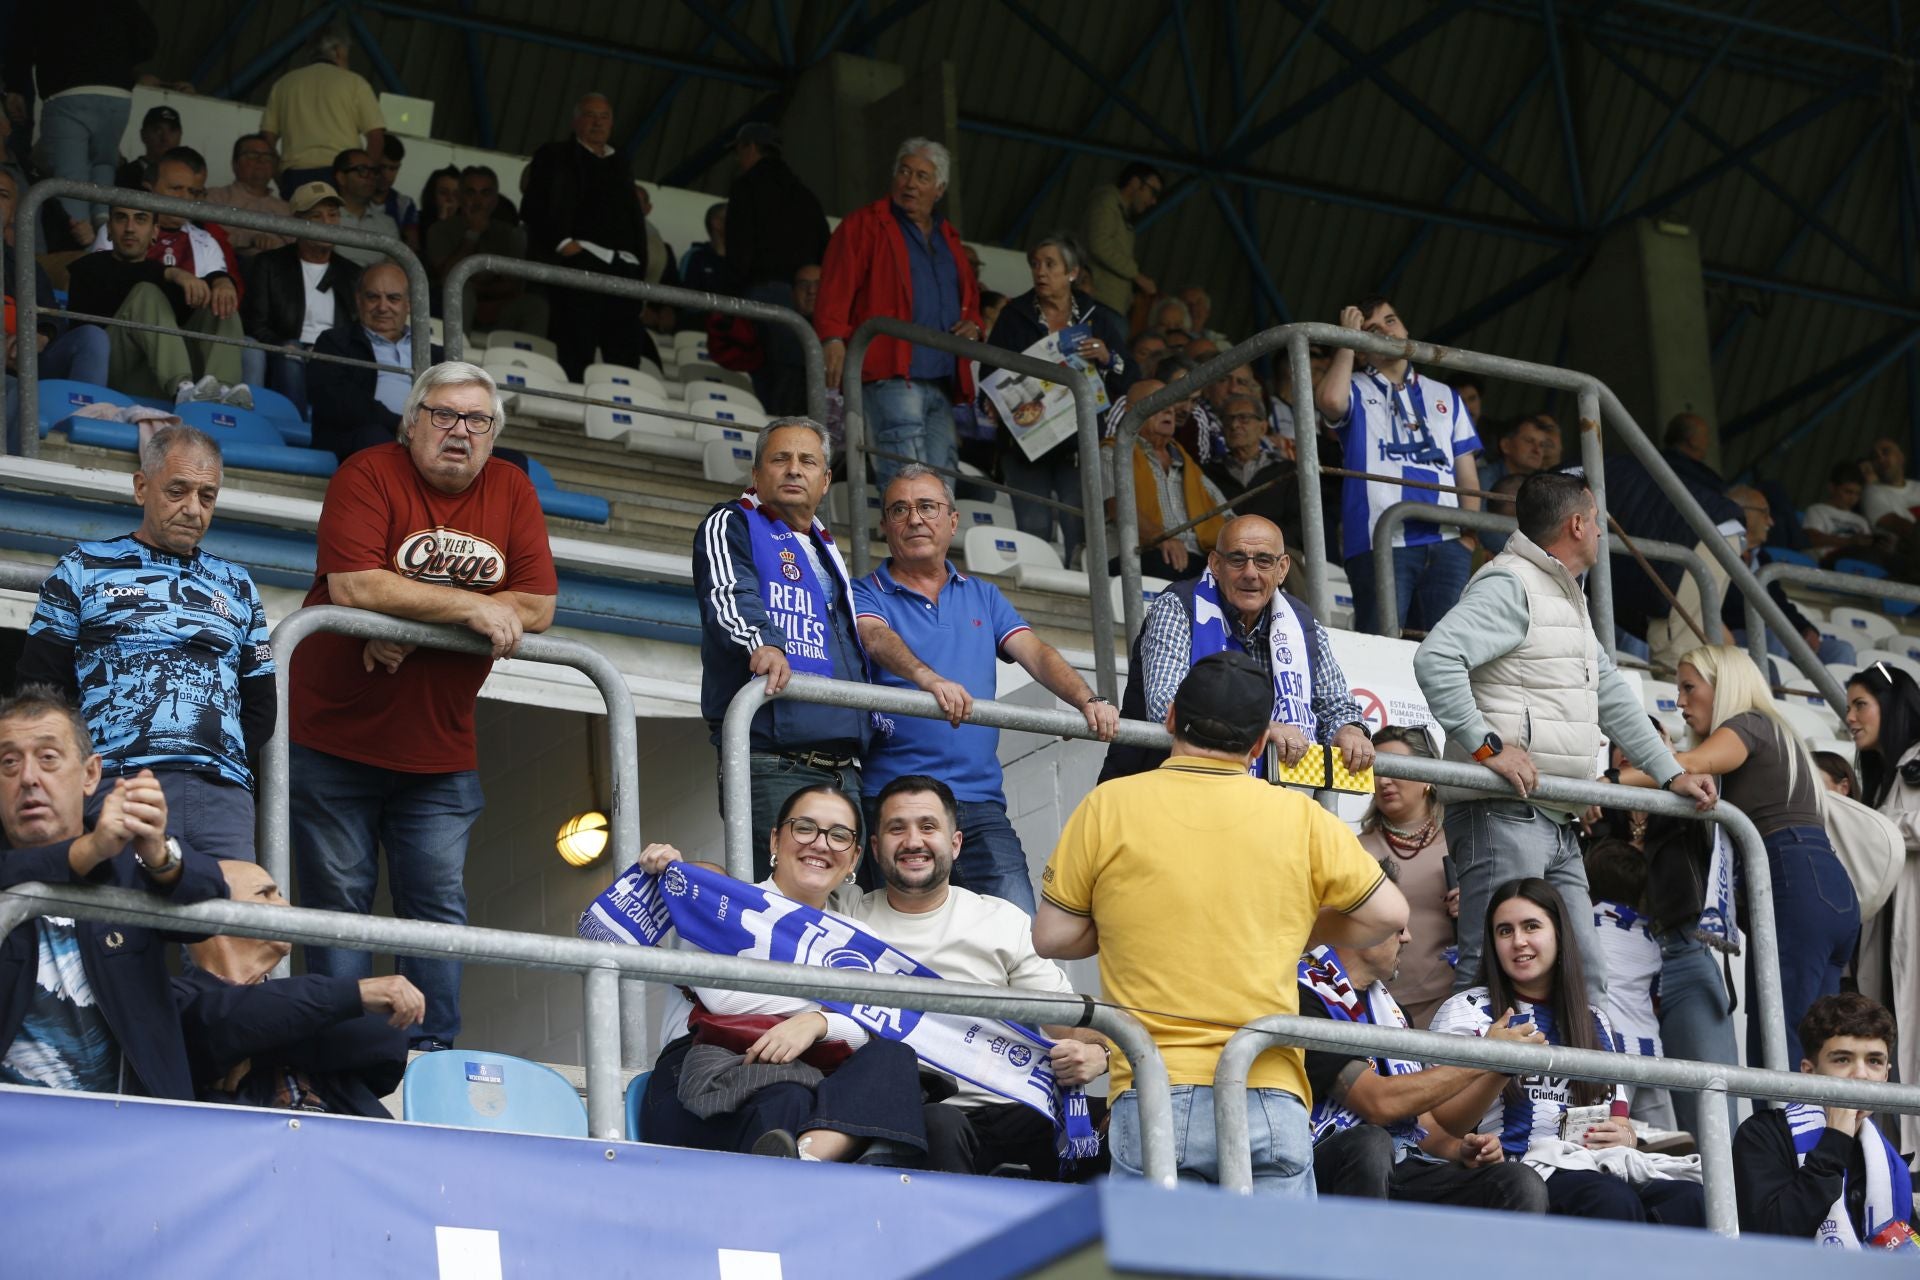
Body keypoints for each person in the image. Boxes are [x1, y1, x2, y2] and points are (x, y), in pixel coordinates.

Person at [1037, 651, 1407, 1192]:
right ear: (1259, 745)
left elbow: (1052, 935)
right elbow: (1389, 915)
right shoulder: (1300, 816)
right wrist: (1291, 925)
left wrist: (1128, 917)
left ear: (1169, 720)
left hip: (1151, 1088)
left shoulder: (1108, 805)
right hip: (1270, 1089)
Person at [288, 361, 557, 1051]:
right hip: (334, 738)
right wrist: (467, 608)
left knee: (436, 907)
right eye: (442, 416)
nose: (458, 433)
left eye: (477, 421)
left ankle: (431, 1051)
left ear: (494, 435)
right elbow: (354, 586)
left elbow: (537, 605)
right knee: (340, 908)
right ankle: (340, 1049)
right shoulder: (368, 473)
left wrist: (414, 629)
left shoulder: (512, 490)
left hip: (438, 750)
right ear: (412, 423)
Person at [1414, 472, 1714, 1001]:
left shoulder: (1563, 594)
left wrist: (1672, 773)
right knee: (1488, 974)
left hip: (1555, 817)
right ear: (1577, 524)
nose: (1601, 532)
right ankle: (1469, 1084)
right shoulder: (1509, 582)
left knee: (1586, 977)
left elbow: (1612, 697)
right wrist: (1489, 746)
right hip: (1501, 811)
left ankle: (1587, 1087)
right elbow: (1436, 658)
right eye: (1597, 521)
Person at [693, 418, 969, 882]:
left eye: (807, 461)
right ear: (757, 473)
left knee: (843, 916)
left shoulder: (821, 544)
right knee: (782, 909)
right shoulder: (731, 521)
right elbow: (730, 593)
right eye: (780, 459)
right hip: (773, 763)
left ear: (826, 481)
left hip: (845, 771)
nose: (793, 470)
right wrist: (763, 643)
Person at [853, 465, 1119, 912]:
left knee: (1018, 931)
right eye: (899, 509)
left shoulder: (983, 595)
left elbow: (1036, 652)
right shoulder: (865, 591)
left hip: (977, 802)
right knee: (898, 943)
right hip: (894, 801)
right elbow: (875, 637)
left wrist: (1086, 699)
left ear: (953, 521)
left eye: (928, 507)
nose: (914, 519)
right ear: (884, 526)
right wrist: (928, 678)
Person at [637, 786, 943, 1164]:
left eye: (839, 835)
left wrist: (819, 1025)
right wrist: (840, 1004)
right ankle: (811, 1165)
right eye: (804, 828)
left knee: (894, 1056)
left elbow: (875, 1026)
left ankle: (805, 1159)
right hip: (704, 1077)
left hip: (811, 1074)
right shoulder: (722, 904)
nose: (820, 844)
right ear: (776, 840)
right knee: (788, 1098)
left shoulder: (862, 940)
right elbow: (725, 1000)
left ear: (854, 859)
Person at [17, 425, 273, 861]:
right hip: (119, 784)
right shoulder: (82, 568)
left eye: (207, 496)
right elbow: (41, 692)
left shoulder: (240, 585)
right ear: (141, 487)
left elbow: (261, 707)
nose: (193, 509)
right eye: (178, 490)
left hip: (221, 795)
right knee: (124, 926)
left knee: (229, 926)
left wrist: (207, 751)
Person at [856, 775, 1110, 1178]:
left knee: (1124, 1122)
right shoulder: (846, 919)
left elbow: (1071, 1023)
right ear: (874, 847)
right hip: (917, 1117)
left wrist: (1099, 1053)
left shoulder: (1000, 918)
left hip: (1018, 1103)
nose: (912, 842)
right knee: (942, 1124)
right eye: (896, 829)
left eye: (928, 827)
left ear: (955, 844)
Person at [1617, 645, 1858, 1066]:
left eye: (1690, 687)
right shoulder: (1775, 731)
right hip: (1824, 886)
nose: (1680, 702)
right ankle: (1821, 1133)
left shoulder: (1748, 723)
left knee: (1778, 1047)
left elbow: (1684, 763)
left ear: (1722, 684)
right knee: (1820, 1052)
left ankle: (1783, 1133)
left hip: (1793, 880)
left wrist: (1605, 781)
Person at [1430, 879, 1707, 1226]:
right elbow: (1438, 1121)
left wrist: (1625, 1135)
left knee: (1693, 1200)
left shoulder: (1594, 1020)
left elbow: (1617, 1116)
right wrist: (1496, 1064)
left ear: (1560, 935)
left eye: (1531, 926)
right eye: (1504, 931)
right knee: (1608, 1199)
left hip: (1592, 1167)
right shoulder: (1467, 1010)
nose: (1519, 941)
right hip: (1512, 1175)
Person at [0, 686, 227, 1099]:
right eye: (9, 762)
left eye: (48, 758)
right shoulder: (100, 846)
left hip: (132, 1138)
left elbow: (211, 906)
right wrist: (89, 851)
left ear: (90, 775)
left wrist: (159, 854)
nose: (28, 778)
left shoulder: (128, 863)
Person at [1297, 896, 1550, 1213]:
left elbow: (1421, 1125)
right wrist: (1486, 1055)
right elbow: (1378, 1104)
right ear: (1362, 927)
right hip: (1323, 1166)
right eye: (1398, 927)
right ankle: (1358, 1262)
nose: (1408, 937)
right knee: (1371, 1143)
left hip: (1401, 1163)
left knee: (1516, 1182)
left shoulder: (1392, 1008)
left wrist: (1461, 1149)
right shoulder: (1303, 995)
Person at [1101, 515, 1373, 784]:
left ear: (1282, 569)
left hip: (1258, 805)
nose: (1251, 573)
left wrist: (1349, 730)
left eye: (1264, 561)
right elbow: (1165, 706)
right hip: (1158, 790)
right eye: (1237, 559)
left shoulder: (1302, 624)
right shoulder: (1178, 607)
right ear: (1215, 564)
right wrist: (1259, 728)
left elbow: (1336, 706)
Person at [174, 859, 422, 1115]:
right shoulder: (172, 998)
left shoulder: (298, 1000)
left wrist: (255, 1051)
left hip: (349, 1148)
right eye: (265, 894)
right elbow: (215, 1026)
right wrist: (343, 1000)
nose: (287, 906)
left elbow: (389, 1036)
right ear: (211, 915)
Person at [816, 137, 983, 486]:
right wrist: (832, 338)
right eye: (904, 172)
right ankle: (903, 541)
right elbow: (836, 285)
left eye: (922, 176)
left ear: (939, 189)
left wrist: (974, 325)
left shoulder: (949, 238)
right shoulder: (864, 224)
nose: (910, 183)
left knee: (941, 483)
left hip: (940, 379)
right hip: (889, 372)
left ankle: (918, 541)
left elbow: (968, 298)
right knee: (908, 474)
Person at [1316, 296, 1483, 635]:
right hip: (1380, 540)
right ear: (1360, 347)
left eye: (1391, 321)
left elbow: (1466, 473)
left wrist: (1468, 535)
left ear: (1405, 328)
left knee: (1446, 654)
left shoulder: (1446, 395)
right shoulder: (1354, 388)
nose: (1386, 332)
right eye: (1371, 330)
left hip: (1448, 541)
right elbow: (1330, 402)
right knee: (1381, 643)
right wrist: (1347, 341)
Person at [982, 232, 1131, 565]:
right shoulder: (1014, 315)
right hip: (1026, 444)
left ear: (1072, 273)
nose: (1041, 272)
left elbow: (1129, 377)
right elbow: (988, 373)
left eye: (1050, 264)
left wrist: (1108, 357)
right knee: (1033, 529)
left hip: (1080, 445)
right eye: (1035, 264)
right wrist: (991, 399)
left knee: (1080, 534)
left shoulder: (1098, 318)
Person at [1733, 993, 1917, 1248]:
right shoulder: (1762, 1135)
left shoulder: (1889, 1163)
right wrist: (1835, 1141)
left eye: (1874, 1061)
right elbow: (1771, 1238)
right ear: (1809, 1072)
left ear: (1886, 1075)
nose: (1861, 1075)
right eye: (1843, 1059)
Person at [521, 92, 655, 381]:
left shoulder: (621, 161)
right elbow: (535, 203)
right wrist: (564, 245)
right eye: (590, 115)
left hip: (624, 268)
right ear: (576, 121)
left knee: (625, 354)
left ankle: (619, 408)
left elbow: (632, 215)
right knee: (574, 347)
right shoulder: (555, 155)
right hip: (580, 263)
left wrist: (636, 263)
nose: (598, 123)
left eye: (604, 116)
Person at [1843, 661, 1920, 1152]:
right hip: (1888, 938)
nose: (1850, 717)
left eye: (1860, 705)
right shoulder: (1885, 773)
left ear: (1889, 708)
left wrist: (1865, 823)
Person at [4, 2, 158, 243]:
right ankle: (105, 239)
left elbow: (20, 39)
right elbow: (148, 42)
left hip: (67, 91)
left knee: (70, 180)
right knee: (104, 165)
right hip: (116, 94)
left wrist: (14, 86)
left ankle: (81, 248)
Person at [66, 203, 248, 404]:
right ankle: (182, 387)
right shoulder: (89, 266)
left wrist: (221, 280)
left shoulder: (162, 278)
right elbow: (124, 277)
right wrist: (172, 272)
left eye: (140, 219)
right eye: (121, 218)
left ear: (155, 232)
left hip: (154, 381)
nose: (130, 228)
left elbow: (192, 298)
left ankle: (223, 392)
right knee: (146, 293)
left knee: (219, 302)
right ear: (108, 228)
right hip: (111, 377)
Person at [725, 122, 830, 416]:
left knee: (768, 369)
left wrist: (734, 290)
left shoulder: (746, 186)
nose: (738, 158)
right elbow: (827, 249)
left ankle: (772, 427)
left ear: (750, 147)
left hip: (764, 289)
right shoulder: (806, 195)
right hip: (808, 296)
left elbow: (739, 247)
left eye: (739, 150)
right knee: (798, 365)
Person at [1360, 726, 1456, 1028]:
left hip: (1450, 1005)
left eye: (1395, 769)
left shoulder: (1462, 842)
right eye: (1377, 770)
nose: (1384, 780)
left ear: (1427, 775)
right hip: (1377, 1005)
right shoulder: (1355, 848)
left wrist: (1479, 905)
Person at [239, 180, 357, 419]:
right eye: (316, 216)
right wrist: (292, 346)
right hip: (287, 353)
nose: (327, 223)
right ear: (295, 223)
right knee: (291, 356)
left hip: (333, 358)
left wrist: (324, 349)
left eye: (333, 215)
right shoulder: (270, 264)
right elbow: (254, 324)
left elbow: (357, 333)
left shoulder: (352, 273)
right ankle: (296, 428)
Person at [309, 261, 440, 462]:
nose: (382, 307)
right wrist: (400, 424)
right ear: (358, 300)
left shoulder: (436, 355)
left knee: (503, 459)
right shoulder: (335, 342)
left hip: (426, 439)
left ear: (409, 304)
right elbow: (338, 401)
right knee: (375, 439)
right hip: (360, 437)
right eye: (373, 297)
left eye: (393, 298)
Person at [1100, 377, 1228, 581]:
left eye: (1170, 404)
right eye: (1158, 403)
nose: (1169, 410)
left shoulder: (1188, 464)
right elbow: (1119, 508)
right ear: (1130, 410)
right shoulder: (1114, 453)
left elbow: (1226, 513)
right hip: (1139, 556)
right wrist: (1162, 538)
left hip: (1198, 559)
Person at [261, 30, 385, 196]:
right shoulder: (355, 82)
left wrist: (280, 178)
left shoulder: (284, 84)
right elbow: (376, 137)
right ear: (338, 51)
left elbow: (267, 138)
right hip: (342, 176)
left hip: (295, 176)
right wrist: (366, 175)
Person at [425, 166, 544, 335]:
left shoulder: (508, 234)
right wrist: (473, 234)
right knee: (463, 294)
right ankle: (455, 356)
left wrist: (481, 292)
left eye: (485, 193)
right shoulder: (440, 230)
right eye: (471, 193)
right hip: (451, 308)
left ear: (495, 200)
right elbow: (448, 278)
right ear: (460, 197)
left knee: (535, 305)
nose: (478, 201)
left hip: (497, 308)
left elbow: (514, 285)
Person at [1203, 393, 1300, 560]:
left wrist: (1262, 546)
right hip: (1226, 557)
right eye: (1228, 420)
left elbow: (1299, 526)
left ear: (1262, 428)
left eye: (1244, 418)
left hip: (1276, 554)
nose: (1234, 425)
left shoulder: (1286, 472)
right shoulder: (1208, 473)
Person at [1081, 163, 1161, 316]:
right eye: (1153, 192)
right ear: (1135, 182)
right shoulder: (1106, 201)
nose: (1153, 201)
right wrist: (1136, 275)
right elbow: (1100, 244)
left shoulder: (1121, 213)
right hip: (1100, 301)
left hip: (1109, 304)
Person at [204, 133, 293, 258]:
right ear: (234, 164)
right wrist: (247, 239)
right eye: (252, 155)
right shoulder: (215, 197)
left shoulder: (287, 209)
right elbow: (205, 239)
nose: (261, 160)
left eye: (267, 157)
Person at [1801, 460, 1884, 566]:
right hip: (1826, 562)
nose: (1853, 498)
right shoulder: (1817, 510)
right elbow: (1811, 539)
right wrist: (1849, 542)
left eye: (1857, 494)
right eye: (1848, 492)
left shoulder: (1861, 520)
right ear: (1832, 488)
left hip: (1856, 564)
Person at [328, 148, 400, 267]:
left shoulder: (387, 224)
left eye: (374, 171)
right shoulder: (325, 218)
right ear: (341, 177)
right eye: (362, 170)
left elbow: (393, 269)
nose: (371, 176)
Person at [372, 134, 419, 251]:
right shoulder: (355, 197)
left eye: (393, 168)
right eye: (382, 167)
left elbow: (412, 247)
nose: (386, 175)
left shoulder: (405, 204)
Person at [1477, 416, 1550, 490]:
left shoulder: (1542, 485)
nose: (1537, 450)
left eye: (1542, 445)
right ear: (1505, 445)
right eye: (1529, 441)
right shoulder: (1484, 478)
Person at [416, 165, 462, 255]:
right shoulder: (417, 221)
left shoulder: (467, 227)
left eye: (456, 194)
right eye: (444, 193)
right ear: (432, 195)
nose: (450, 199)